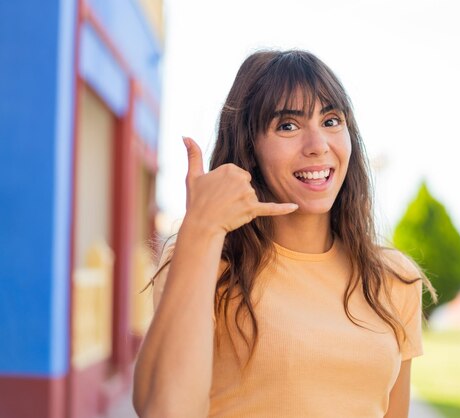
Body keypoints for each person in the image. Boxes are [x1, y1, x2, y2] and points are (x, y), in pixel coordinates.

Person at [132, 49, 436, 418]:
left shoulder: (392, 279)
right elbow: (165, 411)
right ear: (249, 147)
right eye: (288, 126)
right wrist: (201, 227)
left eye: (331, 120)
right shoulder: (209, 261)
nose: (318, 145)